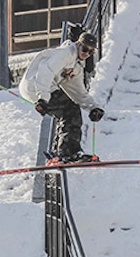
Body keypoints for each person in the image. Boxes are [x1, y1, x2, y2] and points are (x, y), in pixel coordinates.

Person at [19, 30, 106, 164]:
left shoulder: (76, 66)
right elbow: (45, 71)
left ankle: (60, 152)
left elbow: (78, 92)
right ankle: (68, 152)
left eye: (90, 52)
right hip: (35, 84)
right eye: (84, 49)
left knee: (69, 110)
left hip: (46, 88)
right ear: (78, 44)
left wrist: (94, 107)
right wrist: (43, 98)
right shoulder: (66, 53)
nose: (86, 54)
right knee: (69, 110)